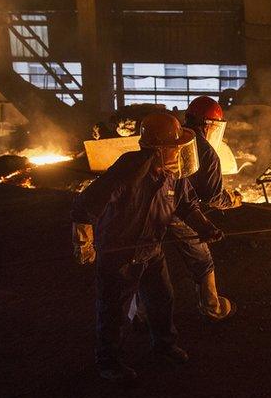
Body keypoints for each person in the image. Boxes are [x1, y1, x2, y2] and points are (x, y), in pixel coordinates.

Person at [71, 112, 224, 381]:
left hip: (151, 248)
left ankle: (164, 345)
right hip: (120, 253)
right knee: (115, 308)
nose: (179, 152)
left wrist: (205, 227)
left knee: (162, 298)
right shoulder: (129, 171)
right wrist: (85, 243)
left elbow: (186, 205)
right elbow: (86, 204)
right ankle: (109, 362)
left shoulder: (173, 175)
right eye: (174, 147)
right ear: (157, 149)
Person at [173, 96, 242, 319]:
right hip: (178, 210)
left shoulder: (172, 138)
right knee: (202, 260)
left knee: (146, 260)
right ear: (209, 125)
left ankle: (139, 314)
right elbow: (212, 196)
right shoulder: (207, 153)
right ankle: (213, 307)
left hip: (152, 207)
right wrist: (231, 200)